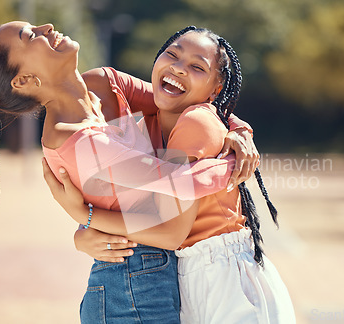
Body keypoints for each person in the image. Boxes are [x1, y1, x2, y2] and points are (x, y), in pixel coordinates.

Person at [0, 21, 258, 323]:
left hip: (151, 279)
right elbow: (180, 186)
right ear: (25, 80)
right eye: (30, 36)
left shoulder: (103, 83)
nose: (47, 28)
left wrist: (241, 133)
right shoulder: (77, 139)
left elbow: (187, 101)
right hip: (130, 287)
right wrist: (235, 165)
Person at [44, 26, 296, 323]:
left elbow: (171, 232)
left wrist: (84, 217)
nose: (178, 68)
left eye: (197, 67)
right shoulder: (153, 119)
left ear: (216, 90)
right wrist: (85, 235)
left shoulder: (196, 122)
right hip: (188, 275)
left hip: (226, 280)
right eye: (172, 55)